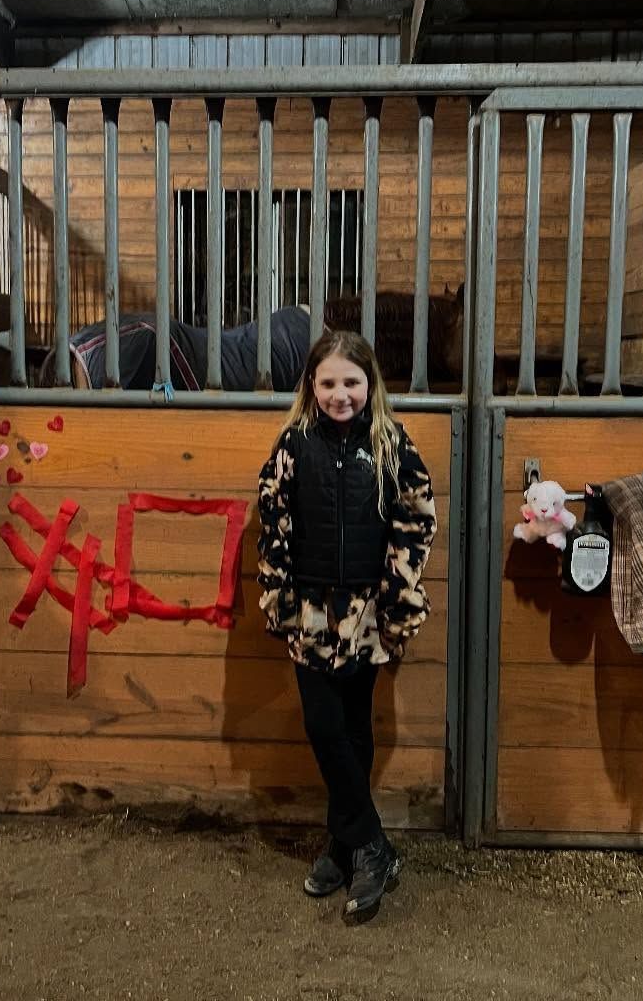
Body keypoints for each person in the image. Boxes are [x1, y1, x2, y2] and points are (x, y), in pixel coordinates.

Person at [255, 330, 437, 925]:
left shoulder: (391, 444)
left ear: (370, 385)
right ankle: (371, 844)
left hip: (366, 614)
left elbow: (416, 519)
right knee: (323, 724)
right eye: (328, 382)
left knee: (354, 728)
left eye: (351, 382)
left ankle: (343, 844)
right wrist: (277, 593)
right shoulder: (292, 444)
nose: (340, 394)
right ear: (311, 385)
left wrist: (399, 600)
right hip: (311, 611)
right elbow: (274, 521)